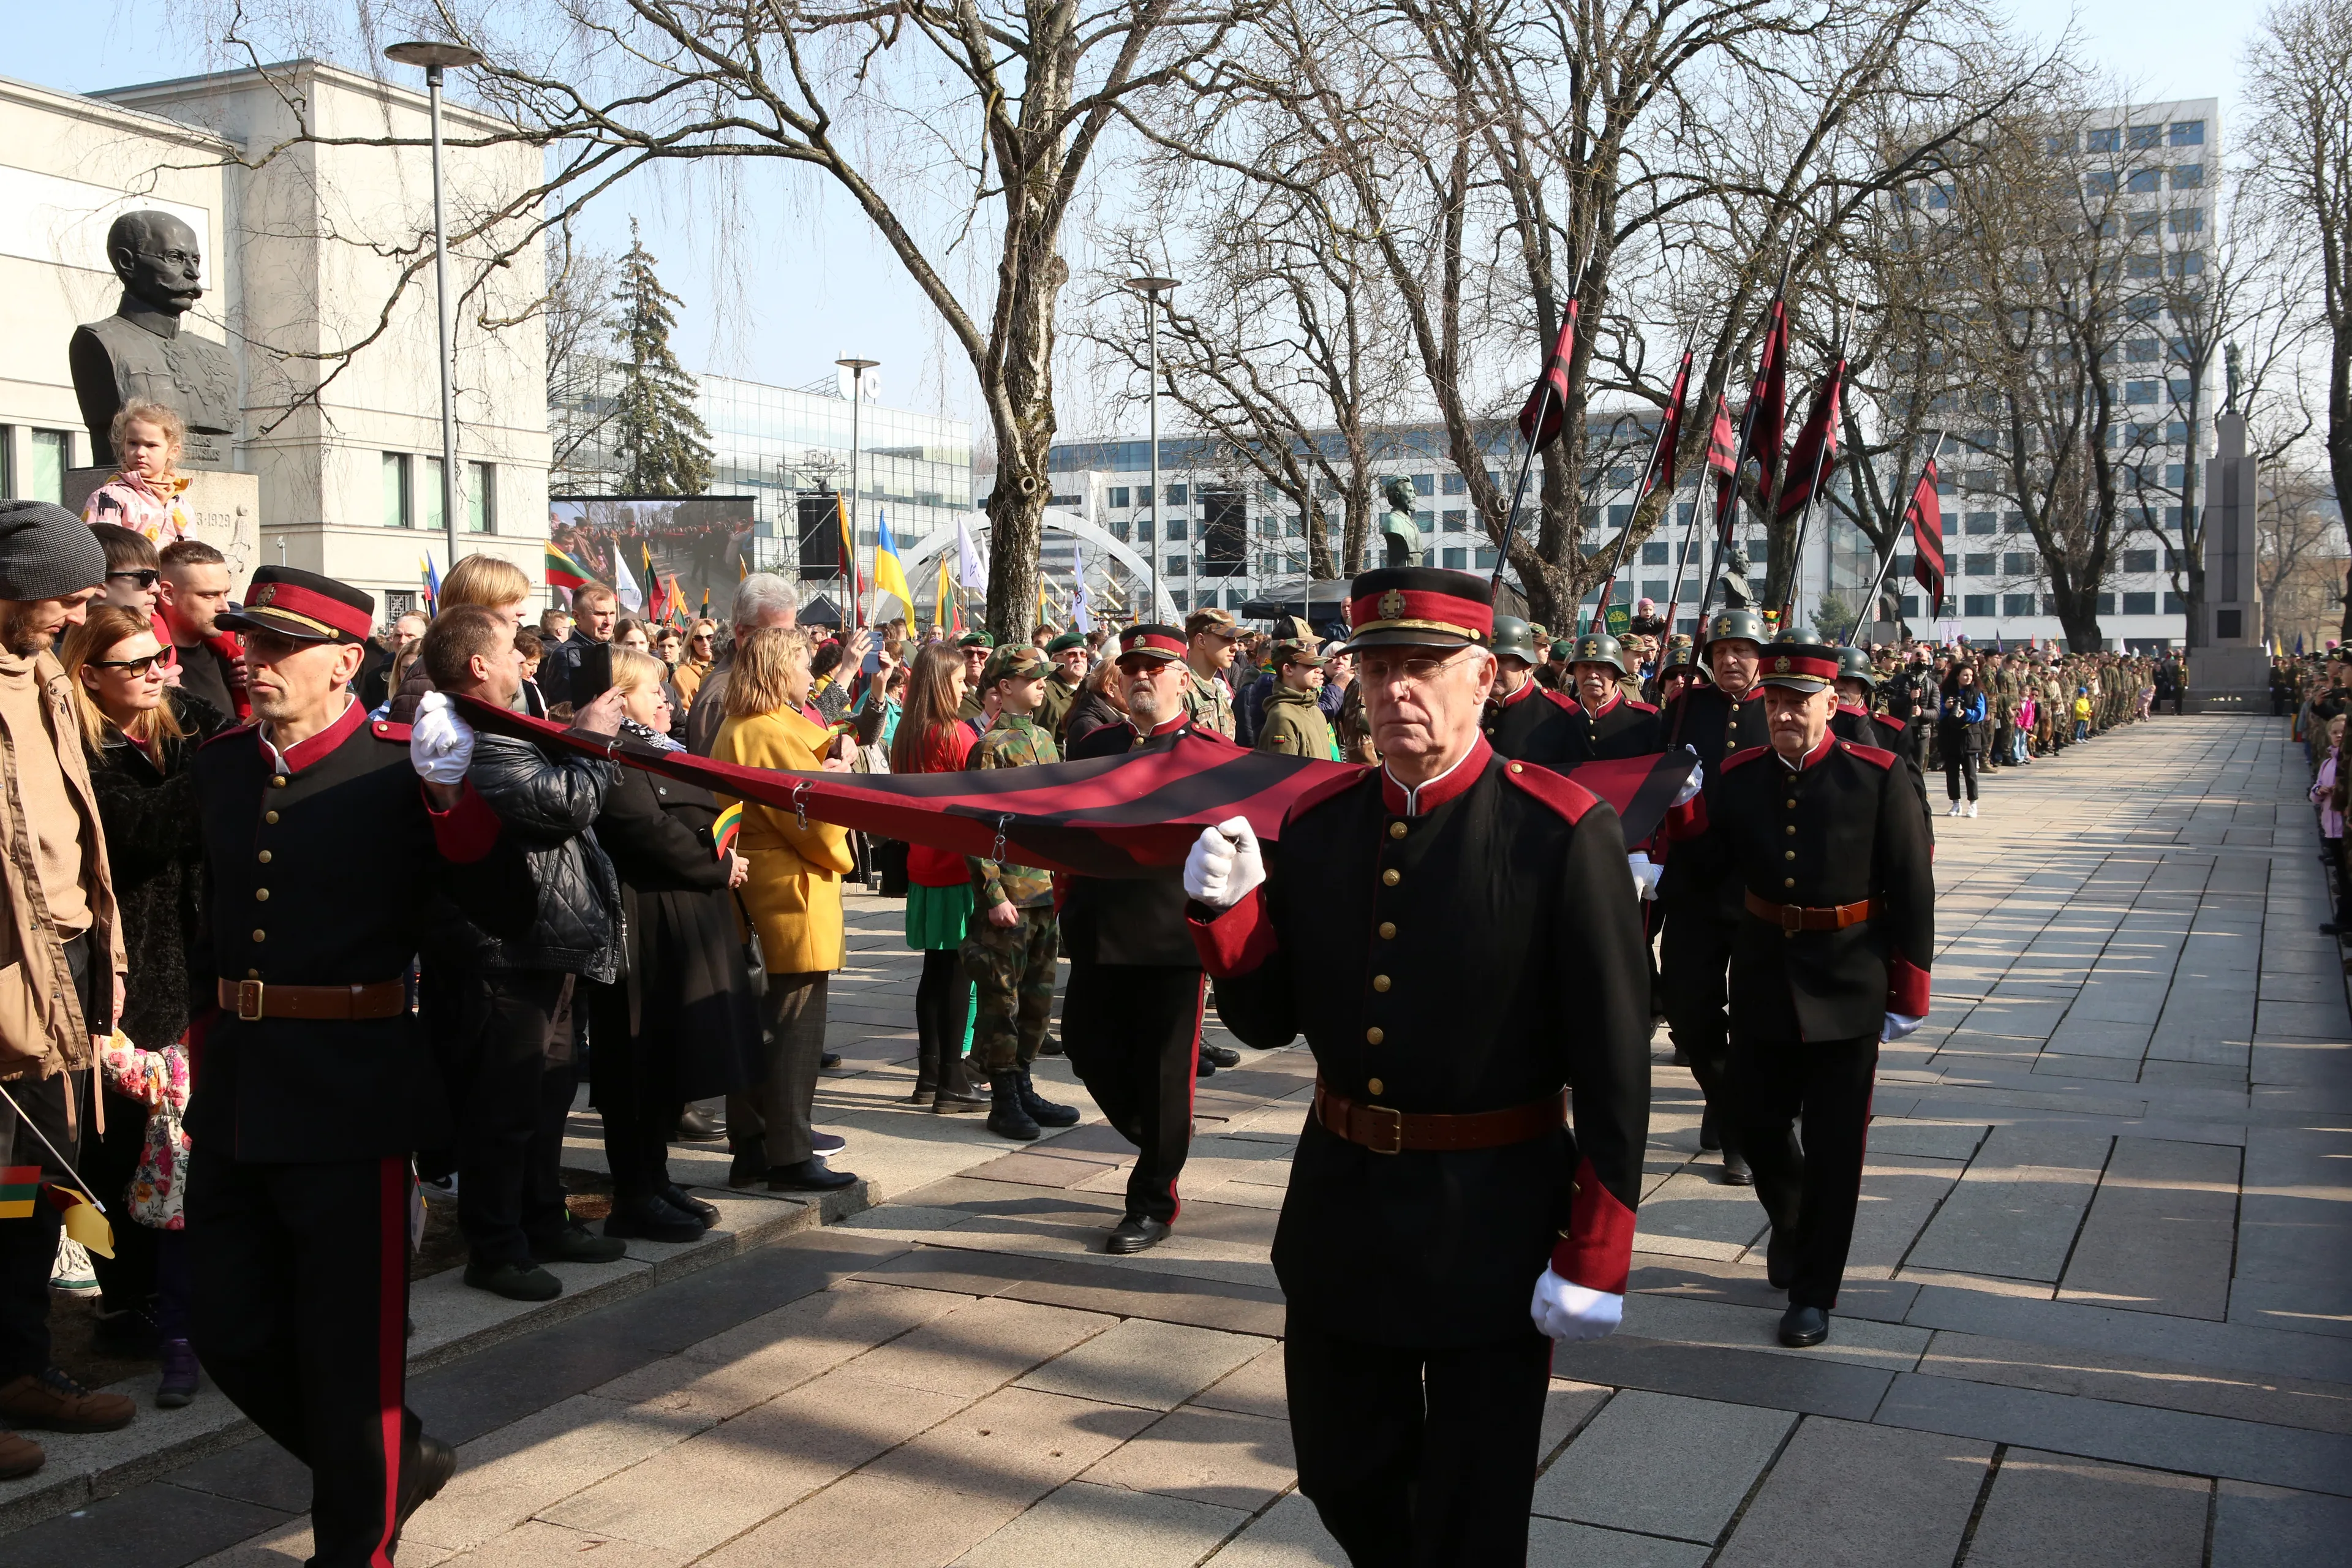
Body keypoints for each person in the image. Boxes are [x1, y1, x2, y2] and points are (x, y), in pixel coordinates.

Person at [1182, 566, 1648, 1564]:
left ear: (1484, 677)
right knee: (1342, 1473)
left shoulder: (1560, 833)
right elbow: (1266, 1022)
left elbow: (1616, 1066)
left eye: (1424, 668)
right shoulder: (1317, 826)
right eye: (1380, 667)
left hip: (1495, 1218)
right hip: (1345, 1210)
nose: (1397, 689)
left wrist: (1597, 1250)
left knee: (1475, 1515)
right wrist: (1227, 917)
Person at [186, 565, 537, 1562]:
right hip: (240, 1090)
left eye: (281, 646)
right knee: (230, 1330)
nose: (255, 661)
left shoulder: (398, 767)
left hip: (355, 1091)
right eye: (250, 640)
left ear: (346, 662)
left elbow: (507, 913)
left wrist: (453, 805)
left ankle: (360, 1543)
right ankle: (398, 1463)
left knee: (352, 1360)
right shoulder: (217, 765)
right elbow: (205, 923)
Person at [1683, 644, 1932, 1348]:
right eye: (1775, 702)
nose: (1785, 713)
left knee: (1834, 1147)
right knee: (1754, 1121)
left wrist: (1909, 987)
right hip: (1765, 971)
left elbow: (1912, 884)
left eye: (1799, 701)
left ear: (1832, 704)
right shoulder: (1740, 774)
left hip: (1849, 975)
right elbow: (1709, 867)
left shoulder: (1877, 774)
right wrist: (1683, 812)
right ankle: (1790, 1220)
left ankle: (1813, 1291)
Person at [418, 605, 630, 1302]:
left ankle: (543, 1216)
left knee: (547, 1094)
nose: (525, 662)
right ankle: (496, 1245)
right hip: (503, 949)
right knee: (504, 1103)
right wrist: (593, 741)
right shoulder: (464, 731)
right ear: (479, 666)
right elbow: (559, 805)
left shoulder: (501, 722)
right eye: (513, 649)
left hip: (545, 941)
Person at [61, 603, 227, 1406]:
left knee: (175, 1143)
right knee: (119, 1145)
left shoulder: (178, 725)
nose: (162, 670)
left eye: (163, 654)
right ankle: (127, 1299)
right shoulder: (82, 749)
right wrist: (214, 768)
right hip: (124, 969)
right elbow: (144, 833)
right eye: (138, 664)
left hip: (192, 959)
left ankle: (173, 1291)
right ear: (89, 676)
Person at [0, 503, 134, 1478]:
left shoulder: (44, 672)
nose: (83, 609)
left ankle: (20, 1368)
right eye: (69, 591)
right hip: (4, 980)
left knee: (32, 1188)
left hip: (66, 969)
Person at [583, 647, 763, 1240]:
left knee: (670, 1058)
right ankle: (634, 1191)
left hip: (685, 917)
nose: (667, 699)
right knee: (638, 1057)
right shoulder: (614, 753)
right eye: (652, 690)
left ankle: (656, 1179)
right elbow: (644, 829)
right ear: (616, 699)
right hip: (647, 922)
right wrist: (718, 868)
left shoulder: (663, 750)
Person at [1060, 625, 1230, 1251]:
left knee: (1166, 1075)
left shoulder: (1210, 754)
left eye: (1155, 667)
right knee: (1083, 1045)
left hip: (1170, 939)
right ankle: (1162, 1140)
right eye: (1131, 666)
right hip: (1100, 928)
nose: (1140, 676)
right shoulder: (1096, 743)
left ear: (1182, 677)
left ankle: (1153, 1199)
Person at [714, 627, 861, 1193]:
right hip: (788, 895)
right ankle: (790, 1154)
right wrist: (842, 788)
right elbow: (812, 819)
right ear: (779, 672)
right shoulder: (763, 729)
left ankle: (752, 1146)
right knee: (794, 1030)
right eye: (803, 664)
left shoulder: (750, 725)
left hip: (766, 894)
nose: (811, 675)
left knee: (761, 1026)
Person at [1655, 607, 1774, 1185]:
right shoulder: (1683, 711)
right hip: (1694, 885)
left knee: (1754, 1015)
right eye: (1721, 651)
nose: (1731, 660)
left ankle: (1738, 1129)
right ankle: (1723, 1094)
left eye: (1743, 651)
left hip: (1758, 888)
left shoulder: (1778, 708)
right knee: (1687, 1009)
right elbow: (1652, 780)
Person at [962, 646, 1083, 1139]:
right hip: (1010, 894)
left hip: (1043, 893)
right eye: (1029, 678)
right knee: (1001, 1002)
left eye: (1041, 678)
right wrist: (993, 896)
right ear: (1002, 687)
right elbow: (975, 829)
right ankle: (1003, 1097)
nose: (1040, 684)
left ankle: (1025, 1083)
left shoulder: (1044, 741)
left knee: (1036, 1000)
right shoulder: (989, 747)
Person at [891, 644, 987, 1112]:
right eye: (956, 679)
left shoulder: (907, 734)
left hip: (922, 864)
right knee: (957, 976)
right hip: (956, 866)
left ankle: (929, 1075)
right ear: (940, 683)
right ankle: (952, 1076)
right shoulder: (956, 733)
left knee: (934, 971)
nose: (965, 683)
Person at [687, 573, 798, 755]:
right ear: (742, 632)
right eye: (776, 634)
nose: (788, 644)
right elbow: (713, 778)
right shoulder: (721, 698)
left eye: (791, 634)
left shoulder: (767, 676)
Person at [78, 399, 194, 545]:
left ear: (173, 451)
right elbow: (99, 552)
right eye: (133, 443)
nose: (140, 452)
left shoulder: (180, 504)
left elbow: (191, 558)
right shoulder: (109, 498)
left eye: (151, 445)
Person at [157, 537, 246, 721]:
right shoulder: (148, 668)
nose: (225, 607)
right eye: (209, 595)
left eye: (226, 594)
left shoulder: (236, 663)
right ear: (168, 594)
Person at [1478, 616, 1578, 764]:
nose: (1492, 668)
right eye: (1486, 660)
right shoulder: (1462, 708)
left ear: (1525, 664)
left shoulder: (1562, 716)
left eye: (1503, 660)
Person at [1559, 630, 1663, 764]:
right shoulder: (1559, 718)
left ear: (1617, 675)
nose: (1592, 675)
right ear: (1574, 673)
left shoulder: (1647, 720)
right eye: (1584, 667)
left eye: (1601, 668)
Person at [542, 581, 619, 712]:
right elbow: (566, 715)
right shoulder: (566, 656)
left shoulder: (613, 650)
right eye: (600, 614)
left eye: (612, 613)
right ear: (577, 617)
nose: (609, 622)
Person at [1256, 638, 1338, 759]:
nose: (1319, 670)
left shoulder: (1315, 711)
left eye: (1318, 665)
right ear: (1288, 669)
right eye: (1309, 665)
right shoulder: (1282, 717)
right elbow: (1281, 772)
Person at [1180, 606, 1240, 737]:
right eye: (1226, 638)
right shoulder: (1180, 691)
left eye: (1236, 640)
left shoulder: (1219, 691)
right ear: (1201, 641)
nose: (1235, 647)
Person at [2315, 714, 2349, 939]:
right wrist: (2319, 791)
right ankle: (2343, 919)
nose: (2338, 736)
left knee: (2347, 876)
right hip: (2332, 828)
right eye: (2335, 732)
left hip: (2345, 827)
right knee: (2343, 875)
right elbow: (2316, 788)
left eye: (2343, 732)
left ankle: (2344, 920)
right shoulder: (2328, 762)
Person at [1940, 663, 1986, 817]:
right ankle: (1955, 803)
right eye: (1965, 675)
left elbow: (1980, 713)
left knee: (1970, 773)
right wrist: (1946, 707)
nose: (1968, 678)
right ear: (1957, 676)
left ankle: (1973, 803)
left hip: (1969, 736)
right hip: (1950, 735)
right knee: (1951, 773)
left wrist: (1965, 713)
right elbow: (1937, 711)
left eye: (1971, 675)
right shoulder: (1946, 692)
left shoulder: (1977, 692)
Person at [1039, 630, 1088, 741]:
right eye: (1072, 654)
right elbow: (1043, 743)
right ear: (1055, 660)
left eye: (1083, 654)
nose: (1079, 659)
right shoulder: (1046, 694)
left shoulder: (1091, 689)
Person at [954, 630, 995, 722]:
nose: (975, 659)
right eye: (969, 654)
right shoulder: (953, 691)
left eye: (982, 655)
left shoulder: (1002, 690)